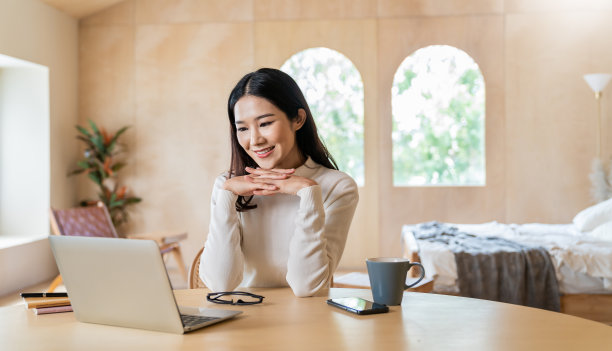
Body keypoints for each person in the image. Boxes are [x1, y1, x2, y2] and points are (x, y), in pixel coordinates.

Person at [199, 68, 359, 297]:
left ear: (298, 119)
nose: (255, 140)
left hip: (308, 321)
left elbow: (307, 286)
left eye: (265, 123)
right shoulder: (228, 185)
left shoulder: (337, 187)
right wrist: (227, 195)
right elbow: (219, 283)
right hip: (243, 317)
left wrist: (308, 193)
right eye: (242, 128)